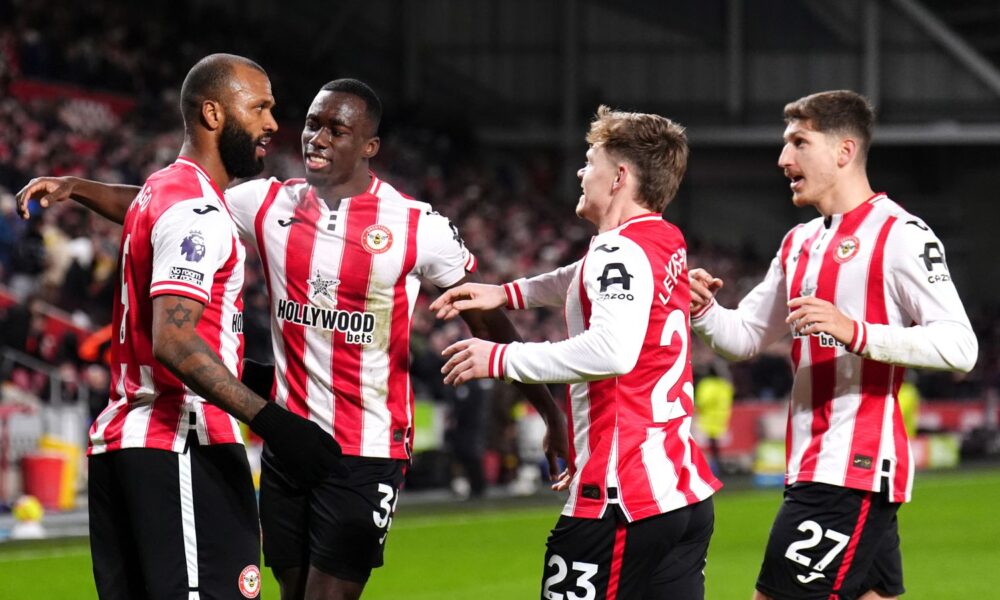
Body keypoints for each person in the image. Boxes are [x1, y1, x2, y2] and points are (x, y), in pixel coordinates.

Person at [18, 78, 568, 600]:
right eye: (311, 123)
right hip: (288, 443)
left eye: (336, 129)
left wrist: (549, 414)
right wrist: (77, 189)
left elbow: (488, 319)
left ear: (370, 145)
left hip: (366, 450)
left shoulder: (414, 225)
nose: (316, 137)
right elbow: (167, 209)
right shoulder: (267, 202)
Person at [16, 53, 348, 600]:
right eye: (260, 107)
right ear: (214, 114)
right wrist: (276, 425)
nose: (271, 123)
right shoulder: (197, 213)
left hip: (129, 445)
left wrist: (76, 185)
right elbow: (173, 339)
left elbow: (142, 210)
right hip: (181, 444)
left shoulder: (165, 190)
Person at [688, 90, 978, 600]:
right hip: (813, 462)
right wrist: (705, 311)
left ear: (844, 151)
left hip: (851, 466)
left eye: (799, 143)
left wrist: (854, 331)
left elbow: (960, 346)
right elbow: (746, 337)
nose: (784, 159)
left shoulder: (901, 234)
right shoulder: (798, 243)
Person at [431, 105, 721, 599]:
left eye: (591, 160)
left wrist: (498, 358)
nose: (582, 172)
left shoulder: (618, 251)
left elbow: (613, 351)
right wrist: (508, 294)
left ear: (620, 177)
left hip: (619, 498)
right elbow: (582, 274)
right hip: (680, 493)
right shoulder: (662, 238)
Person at [693, 362, 734, 474]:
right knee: (715, 446)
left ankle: (701, 466)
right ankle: (718, 465)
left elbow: (702, 401)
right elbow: (728, 399)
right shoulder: (724, 385)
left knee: (699, 444)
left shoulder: (706, 384)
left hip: (706, 418)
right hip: (721, 419)